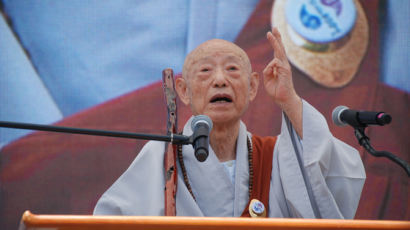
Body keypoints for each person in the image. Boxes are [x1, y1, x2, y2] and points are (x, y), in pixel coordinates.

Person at [93, 28, 366, 218]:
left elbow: (333, 180)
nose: (220, 80)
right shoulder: (162, 156)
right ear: (183, 90)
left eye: (233, 69)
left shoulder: (278, 157)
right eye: (205, 71)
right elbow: (112, 220)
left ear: (252, 87)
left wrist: (289, 99)